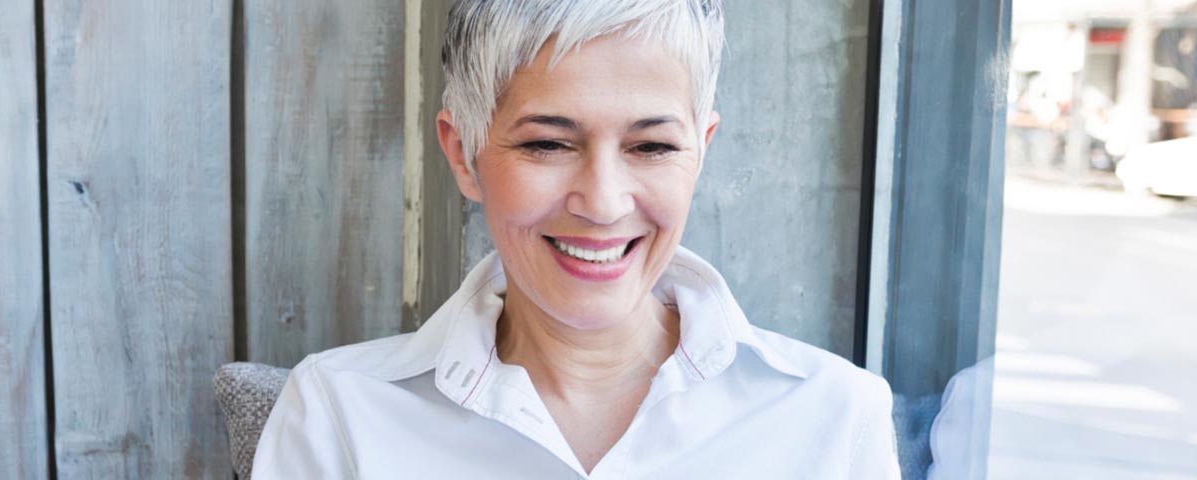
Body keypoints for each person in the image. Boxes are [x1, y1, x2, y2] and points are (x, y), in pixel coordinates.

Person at [250, 0, 902, 477]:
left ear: (698, 156)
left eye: (651, 146)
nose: (603, 201)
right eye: (547, 143)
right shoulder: (338, 413)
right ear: (463, 155)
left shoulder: (835, 415)